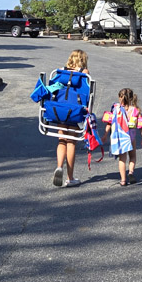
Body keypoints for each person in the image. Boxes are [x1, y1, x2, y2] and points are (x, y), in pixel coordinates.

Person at [53, 49, 89, 188]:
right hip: (74, 110)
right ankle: (70, 177)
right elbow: (87, 93)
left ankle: (59, 166)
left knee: (62, 140)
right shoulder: (84, 73)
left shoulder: (61, 71)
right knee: (71, 142)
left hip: (59, 110)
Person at [106, 87, 142, 186]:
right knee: (132, 156)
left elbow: (109, 122)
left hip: (121, 137)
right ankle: (131, 172)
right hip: (131, 137)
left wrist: (105, 135)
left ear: (120, 98)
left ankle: (123, 180)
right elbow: (141, 125)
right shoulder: (135, 110)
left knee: (122, 159)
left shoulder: (117, 109)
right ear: (132, 98)